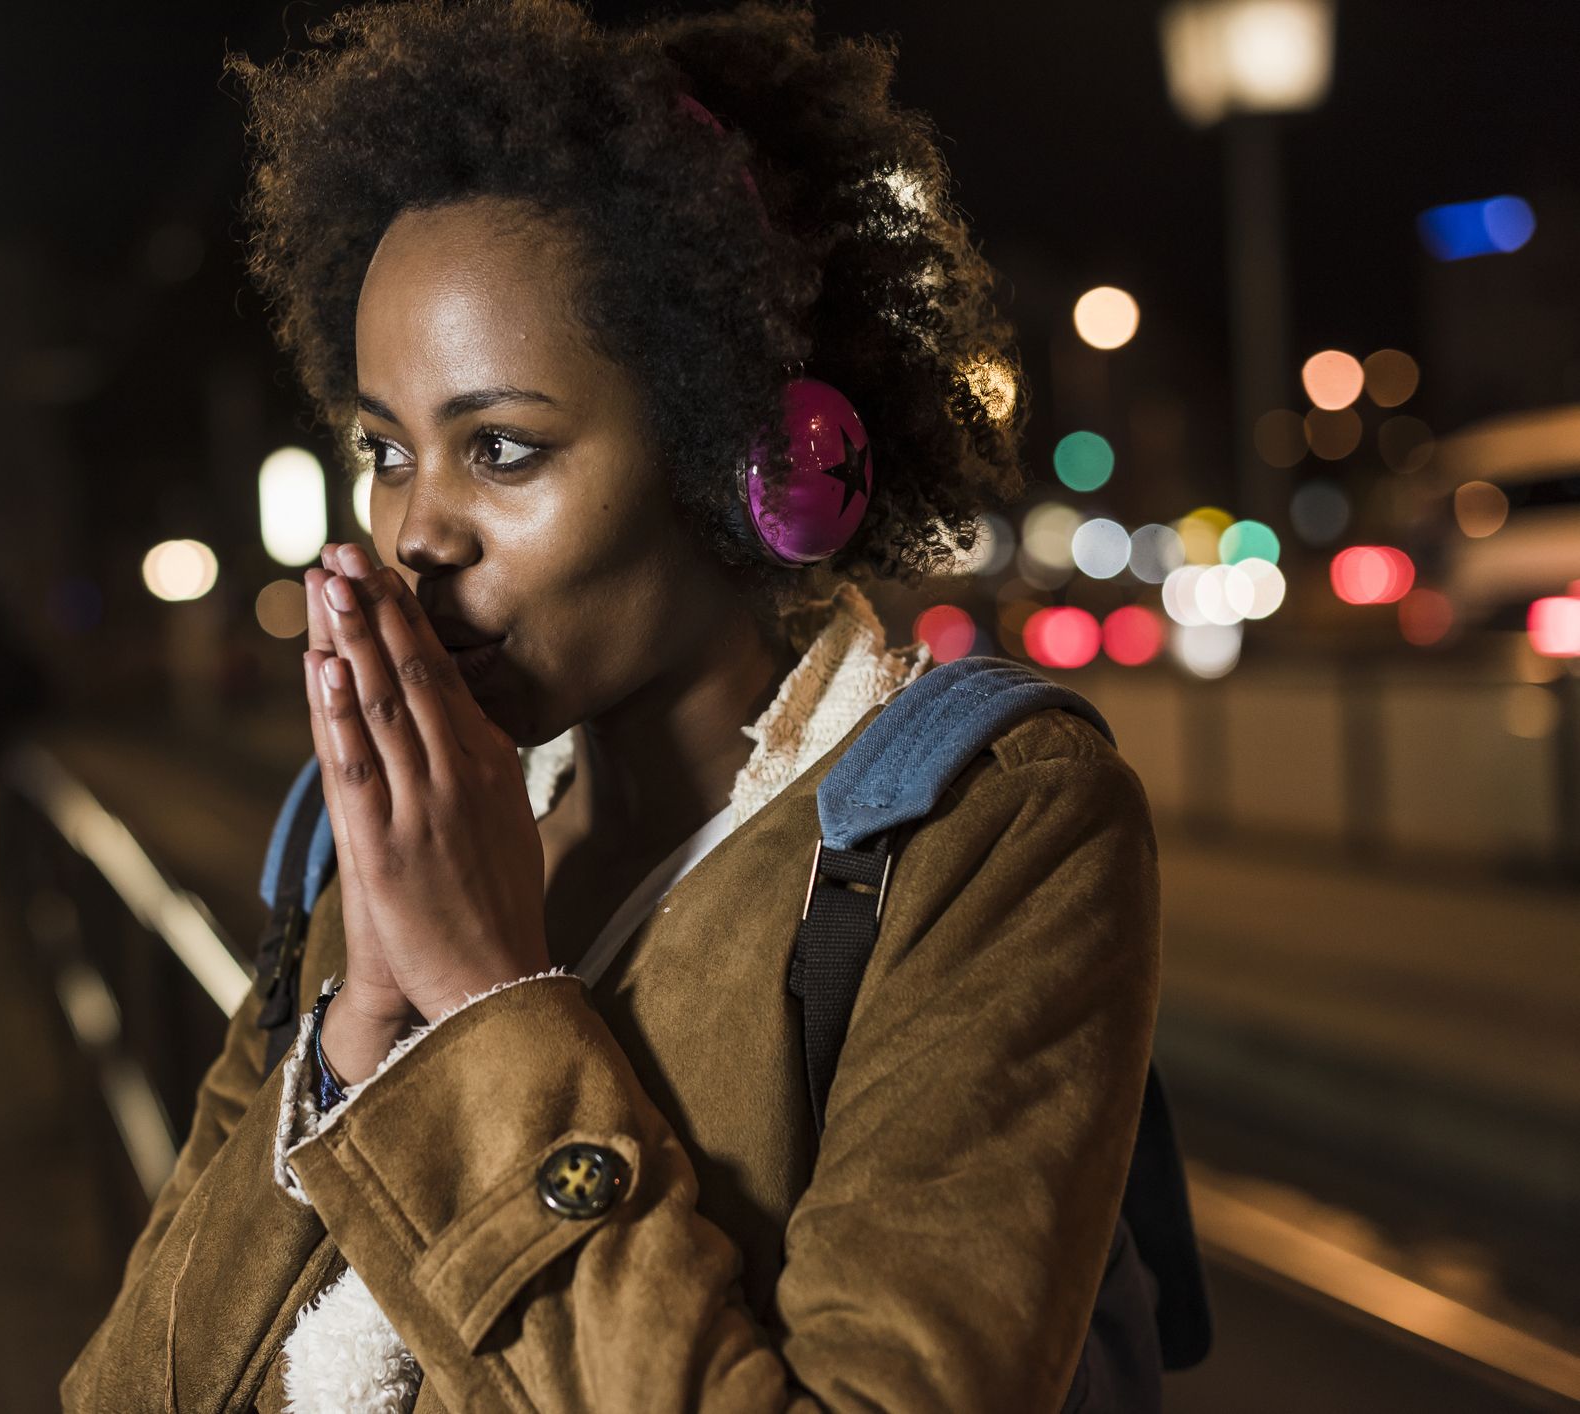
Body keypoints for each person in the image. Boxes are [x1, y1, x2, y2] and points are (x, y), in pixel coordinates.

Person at [63, 2, 1159, 1410]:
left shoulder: (990, 832)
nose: (417, 535)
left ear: (746, 458)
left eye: (502, 448)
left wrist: (479, 1005)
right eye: (386, 451)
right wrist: (360, 1027)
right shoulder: (388, 835)